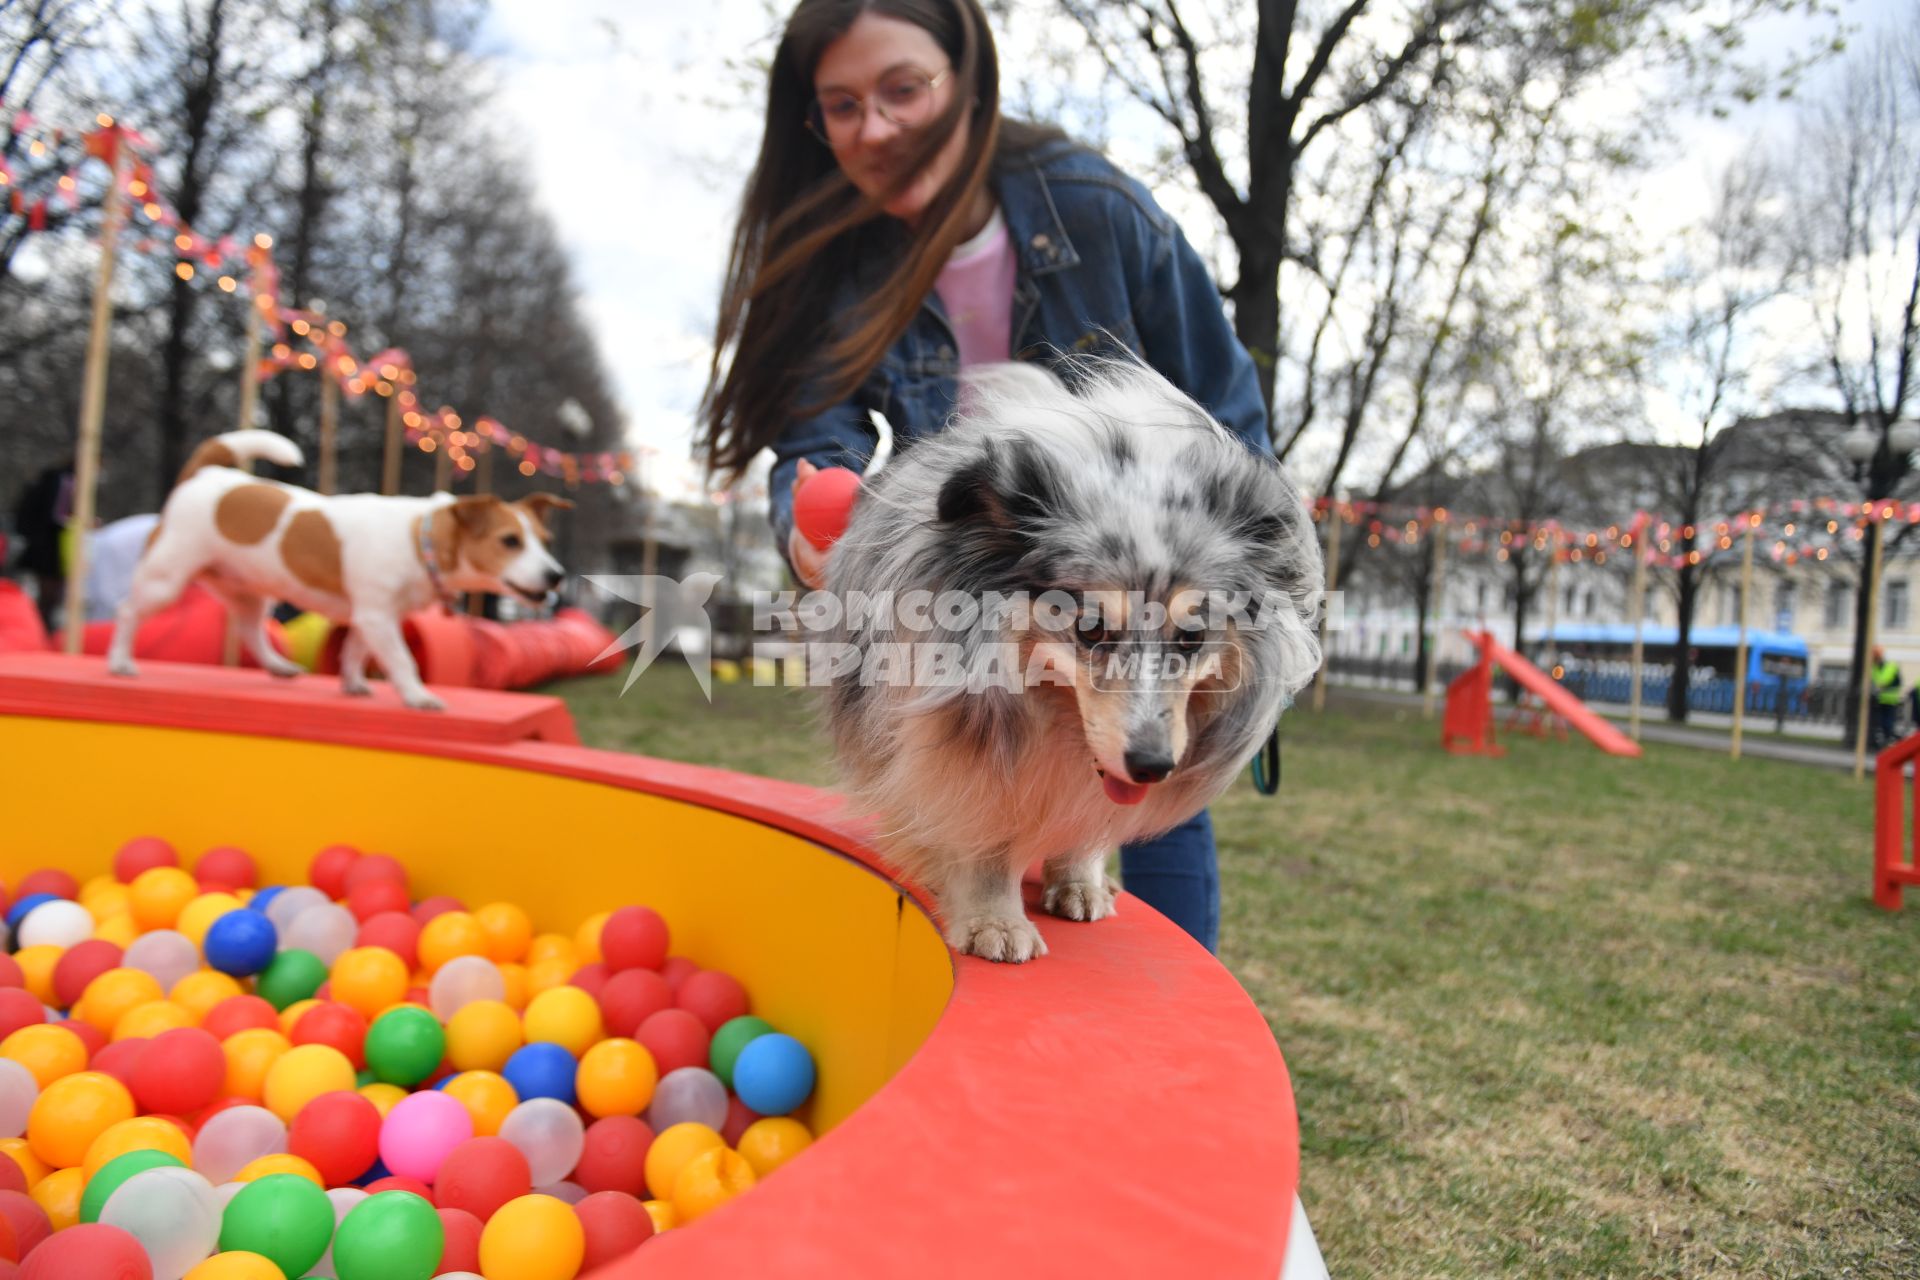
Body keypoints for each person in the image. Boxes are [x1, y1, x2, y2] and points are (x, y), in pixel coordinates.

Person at [699, 0, 1271, 953]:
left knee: (1151, 766)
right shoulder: (838, 264)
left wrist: (1228, 575)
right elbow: (816, 431)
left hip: (1132, 572)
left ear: (969, 81)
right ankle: (978, 890)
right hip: (975, 567)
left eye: (902, 89)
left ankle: (1170, 1032)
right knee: (963, 740)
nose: (874, 129)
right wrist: (812, 501)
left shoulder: (1098, 210)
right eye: (840, 106)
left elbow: (1225, 410)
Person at [10, 459, 74, 631]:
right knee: (48, 594)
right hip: (49, 548)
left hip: (45, 546)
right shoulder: (65, 481)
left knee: (48, 594)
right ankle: (40, 629)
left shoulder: (53, 479)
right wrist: (78, 522)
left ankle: (40, 627)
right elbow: (57, 516)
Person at [1871, 644, 1903, 748]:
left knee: (1887, 722)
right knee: (1882, 722)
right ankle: (1886, 739)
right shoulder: (1876, 667)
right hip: (1881, 699)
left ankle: (1889, 740)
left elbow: (1882, 681)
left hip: (1889, 699)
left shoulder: (1890, 666)